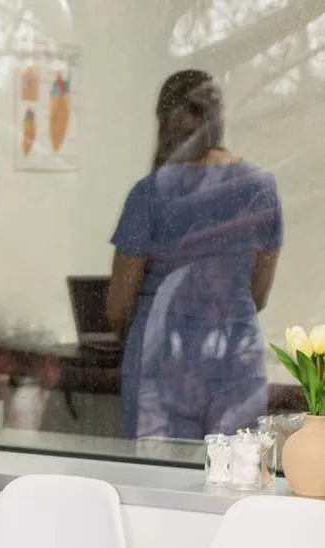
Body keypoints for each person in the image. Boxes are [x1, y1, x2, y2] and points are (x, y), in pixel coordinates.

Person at [106, 69, 283, 441]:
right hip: (236, 358)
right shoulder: (262, 188)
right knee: (233, 482)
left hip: (162, 364)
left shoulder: (150, 194)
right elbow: (259, 294)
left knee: (153, 485)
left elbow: (119, 306)